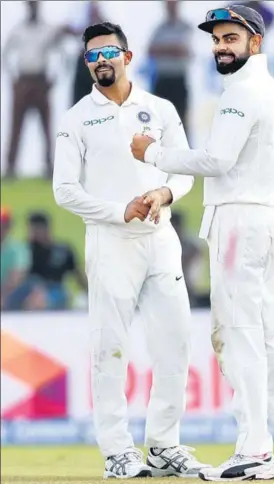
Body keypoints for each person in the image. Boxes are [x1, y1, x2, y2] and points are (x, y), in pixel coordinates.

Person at [131, 5, 274, 481]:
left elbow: (216, 159)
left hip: (239, 220)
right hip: (263, 214)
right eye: (216, 39)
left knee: (239, 336)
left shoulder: (241, 94)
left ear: (256, 42)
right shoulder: (271, 91)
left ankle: (254, 448)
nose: (220, 46)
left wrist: (153, 152)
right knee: (265, 334)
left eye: (231, 38)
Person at [52, 21, 209, 480]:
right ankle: (118, 452)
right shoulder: (77, 117)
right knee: (110, 349)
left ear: (128, 56)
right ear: (86, 64)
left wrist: (164, 195)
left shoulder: (159, 108)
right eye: (92, 56)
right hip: (110, 241)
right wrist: (117, 211)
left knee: (176, 343)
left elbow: (183, 170)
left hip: (160, 240)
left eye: (108, 53)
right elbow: (63, 190)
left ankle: (163, 446)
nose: (101, 61)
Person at [2, 1, 63, 179]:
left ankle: (49, 167)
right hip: (23, 80)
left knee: (45, 127)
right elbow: (5, 54)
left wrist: (54, 77)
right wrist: (13, 78)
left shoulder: (48, 30)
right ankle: (10, 167)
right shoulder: (18, 29)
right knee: (16, 126)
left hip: (40, 81)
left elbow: (61, 54)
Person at [5, 212, 87, 311]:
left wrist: (88, 292)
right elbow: (20, 275)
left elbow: (77, 274)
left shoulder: (63, 250)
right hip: (29, 286)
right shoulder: (26, 249)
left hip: (55, 287)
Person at [147, 0, 192, 135]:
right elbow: (151, 51)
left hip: (178, 81)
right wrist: (173, 49)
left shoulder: (185, 28)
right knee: (159, 122)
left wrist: (164, 49)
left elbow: (184, 52)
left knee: (181, 122)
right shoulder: (159, 29)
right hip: (162, 81)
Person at [1, 207, 30, 311]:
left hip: (12, 293)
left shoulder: (18, 249)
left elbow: (16, 276)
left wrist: (3, 296)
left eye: (3, 225)